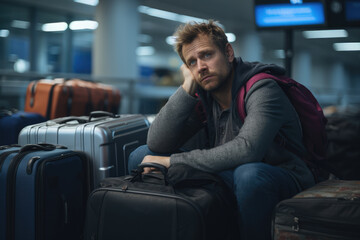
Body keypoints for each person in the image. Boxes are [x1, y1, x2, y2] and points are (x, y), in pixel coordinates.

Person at [128, 20, 316, 240]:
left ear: (227, 52)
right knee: (141, 156)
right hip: (228, 172)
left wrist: (172, 162)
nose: (201, 66)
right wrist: (187, 87)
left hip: (279, 174)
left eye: (206, 55)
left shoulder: (263, 88)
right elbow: (157, 142)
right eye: (192, 62)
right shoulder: (204, 98)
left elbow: (248, 150)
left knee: (249, 175)